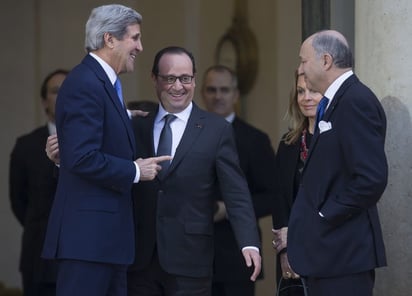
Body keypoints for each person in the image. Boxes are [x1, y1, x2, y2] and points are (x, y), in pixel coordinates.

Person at [41, 5, 169, 296]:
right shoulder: (85, 83)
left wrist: (122, 118)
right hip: (88, 243)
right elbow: (83, 157)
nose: (140, 46)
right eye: (134, 38)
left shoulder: (103, 85)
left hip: (104, 243)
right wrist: (137, 170)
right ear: (110, 39)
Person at [127, 46, 262, 296]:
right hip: (139, 259)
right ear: (154, 79)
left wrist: (249, 242)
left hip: (191, 260)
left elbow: (236, 193)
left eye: (185, 78)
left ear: (194, 79)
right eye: (169, 78)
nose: (178, 86)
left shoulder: (216, 129)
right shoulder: (137, 125)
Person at [287, 30, 388, 296]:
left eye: (303, 60)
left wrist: (323, 215)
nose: (300, 68)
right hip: (329, 256)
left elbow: (371, 178)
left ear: (326, 61)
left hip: (344, 256)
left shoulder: (355, 100)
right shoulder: (337, 101)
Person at [201, 65, 275, 296]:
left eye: (224, 90)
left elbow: (272, 195)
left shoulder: (254, 140)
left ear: (235, 94)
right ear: (202, 93)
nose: (218, 96)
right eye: (211, 90)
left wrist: (228, 209)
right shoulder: (186, 134)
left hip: (236, 255)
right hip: (193, 256)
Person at [9, 69, 68, 296]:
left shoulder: (96, 141)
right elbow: (18, 201)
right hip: (39, 258)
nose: (63, 96)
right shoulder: (26, 146)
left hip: (85, 257)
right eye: (55, 91)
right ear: (44, 102)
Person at [271, 70, 323, 295]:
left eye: (314, 91)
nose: (306, 98)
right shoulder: (288, 143)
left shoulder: (336, 138)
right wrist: (284, 251)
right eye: (301, 91)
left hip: (328, 250)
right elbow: (279, 201)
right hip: (291, 257)